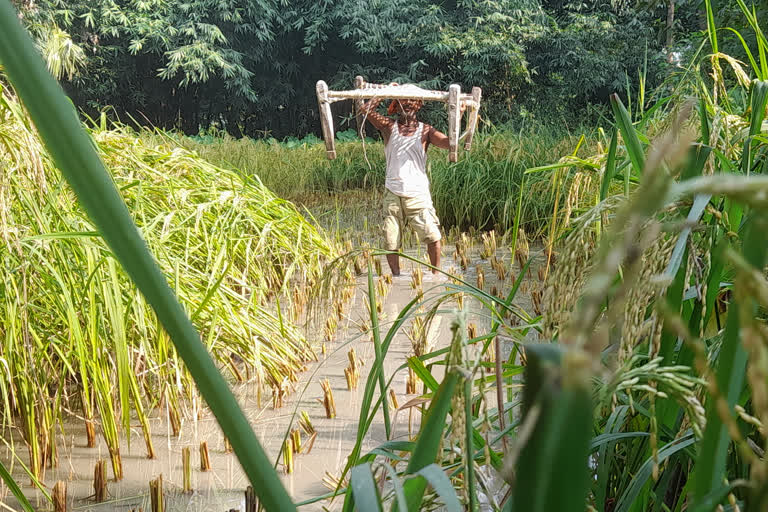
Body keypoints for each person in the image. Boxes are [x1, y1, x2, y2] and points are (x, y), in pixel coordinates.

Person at [359, 84, 451, 279]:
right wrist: (385, 92)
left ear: (419, 105)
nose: (408, 104)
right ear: (396, 104)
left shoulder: (426, 130)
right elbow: (365, 110)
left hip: (417, 192)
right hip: (393, 191)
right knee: (391, 241)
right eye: (403, 100)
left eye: (412, 101)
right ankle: (397, 278)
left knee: (433, 237)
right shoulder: (389, 126)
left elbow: (449, 143)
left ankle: (435, 275)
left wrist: (457, 116)